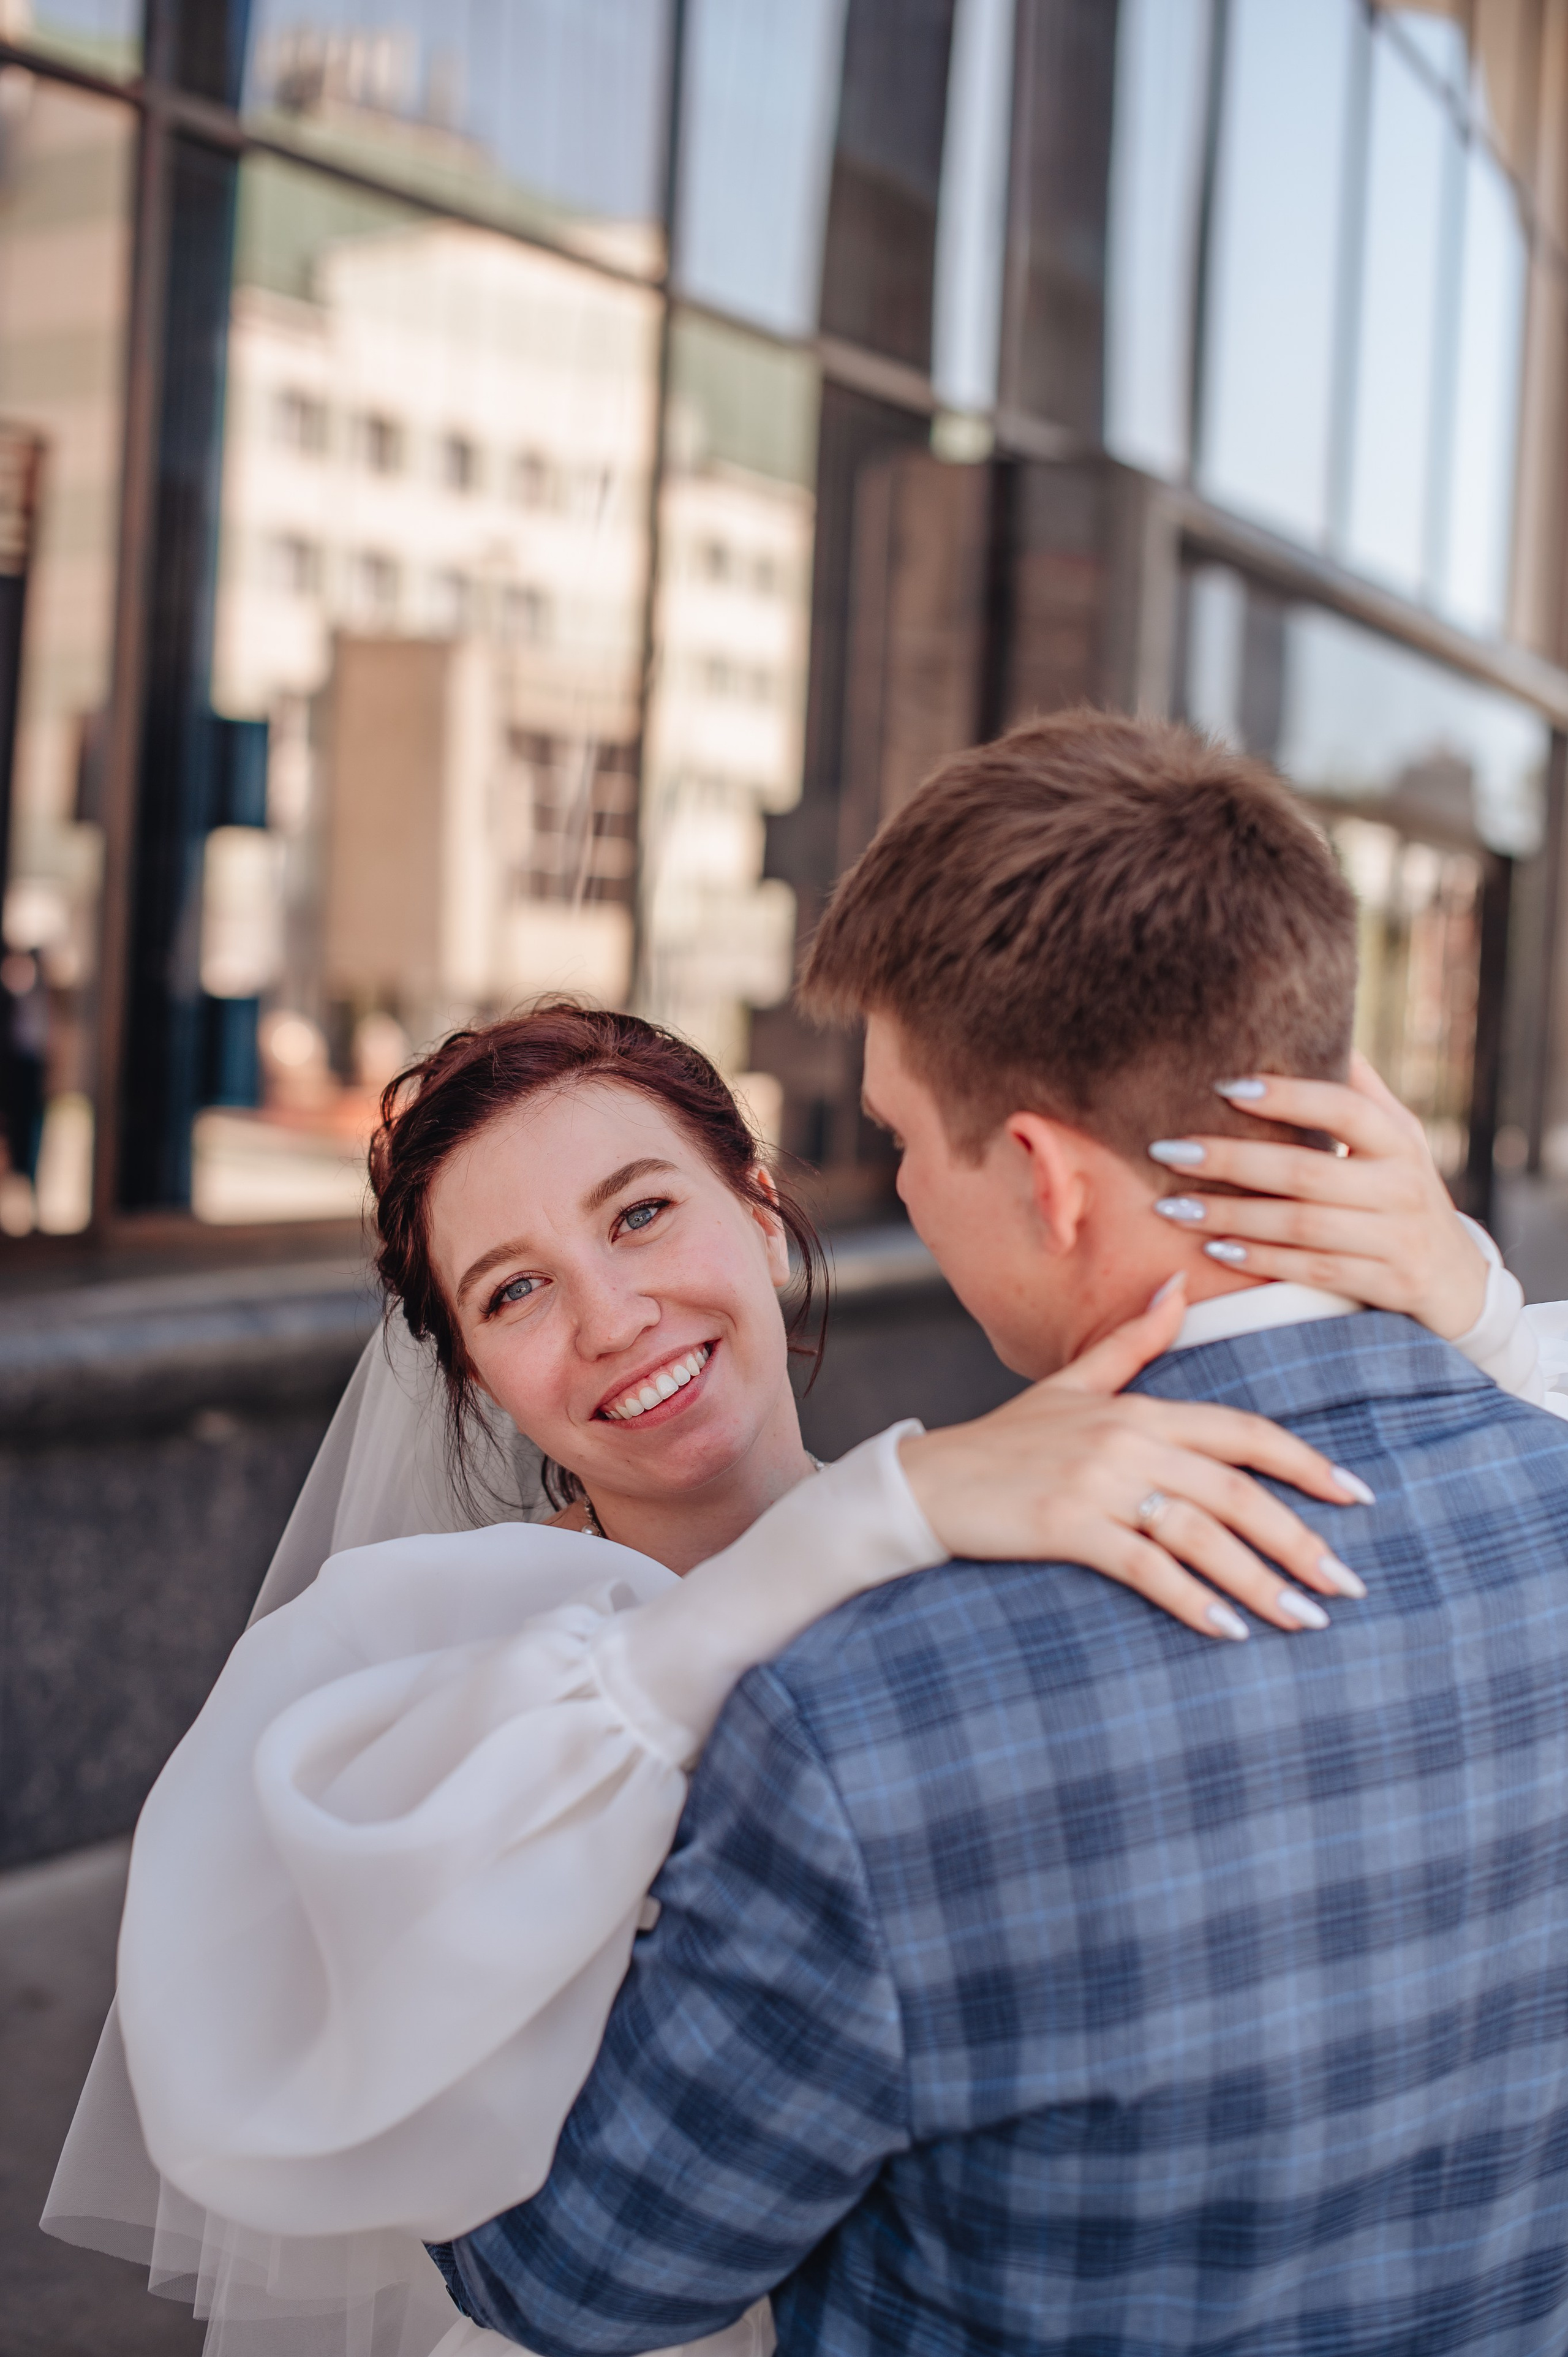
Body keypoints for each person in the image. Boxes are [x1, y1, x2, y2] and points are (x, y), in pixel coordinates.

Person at [42, 858, 1549, 2353]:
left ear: (759, 1212)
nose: (609, 1317)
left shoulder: (1024, 1534)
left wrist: (1456, 1294)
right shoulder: (432, 1652)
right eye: (512, 1293)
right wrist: (862, 1520)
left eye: (640, 1215)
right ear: (471, 1374)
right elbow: (285, 2054)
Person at [423, 713, 1568, 2357]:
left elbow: (578, 2279)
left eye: (899, 1138)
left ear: (1046, 1174)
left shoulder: (869, 1719)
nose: (899, 1187)